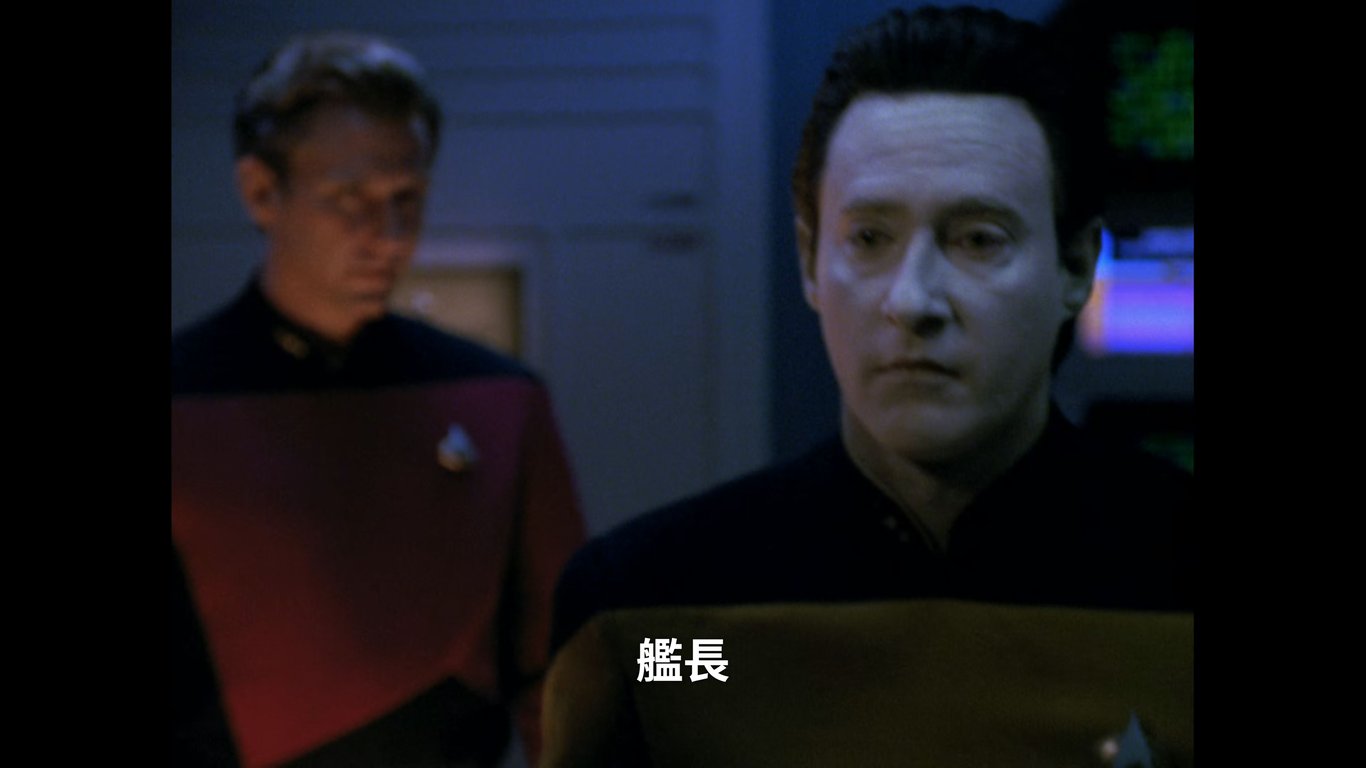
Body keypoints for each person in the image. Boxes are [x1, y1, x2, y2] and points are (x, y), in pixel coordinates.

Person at [542, 6, 1192, 766]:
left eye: (979, 239)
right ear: (810, 261)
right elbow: (686, 686)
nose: (913, 300)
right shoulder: (655, 616)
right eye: (870, 239)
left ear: (1076, 267)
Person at [171, 32, 586, 767]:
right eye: (347, 199)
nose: (387, 237)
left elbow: (564, 664)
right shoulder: (185, 401)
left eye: (406, 199)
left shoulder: (499, 401)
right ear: (261, 192)